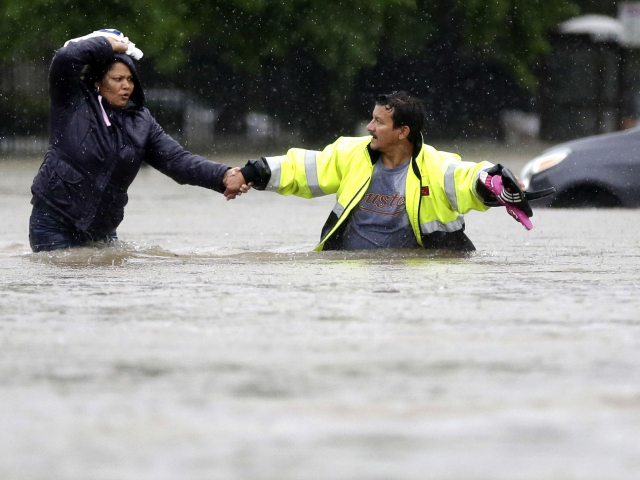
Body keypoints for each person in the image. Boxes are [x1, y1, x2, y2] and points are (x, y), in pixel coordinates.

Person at [225, 91, 538, 252]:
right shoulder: (350, 153)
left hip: (413, 283)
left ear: (402, 132)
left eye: (378, 122)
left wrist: (497, 181)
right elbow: (302, 166)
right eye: (371, 119)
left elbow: (468, 177)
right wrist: (252, 172)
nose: (369, 127)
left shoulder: (436, 166)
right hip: (350, 282)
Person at [29, 29, 247, 252]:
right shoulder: (71, 100)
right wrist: (110, 44)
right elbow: (66, 57)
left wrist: (223, 175)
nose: (127, 86)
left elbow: (178, 161)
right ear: (97, 82)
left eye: (130, 79)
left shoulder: (142, 122)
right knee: (60, 282)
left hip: (102, 228)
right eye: (118, 79)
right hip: (54, 222)